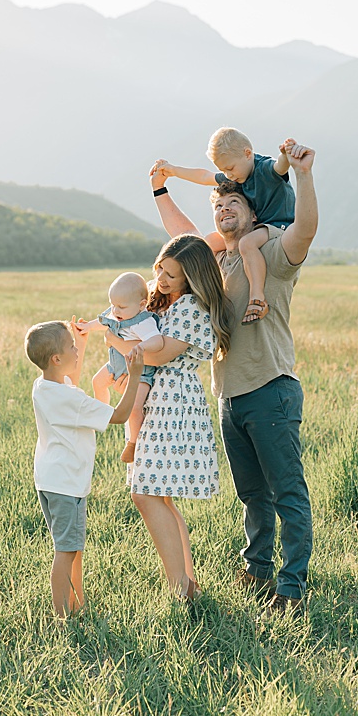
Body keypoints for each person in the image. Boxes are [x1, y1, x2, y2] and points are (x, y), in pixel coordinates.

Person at [149, 140, 319, 616]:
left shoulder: (271, 254)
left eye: (234, 203)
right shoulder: (216, 262)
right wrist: (161, 190)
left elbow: (304, 230)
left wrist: (302, 178)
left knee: (286, 492)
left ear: (253, 211)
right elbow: (182, 237)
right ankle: (258, 567)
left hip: (270, 389)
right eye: (219, 205)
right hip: (229, 396)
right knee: (252, 495)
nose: (224, 210)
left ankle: (291, 586)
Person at [103, 234, 233, 602]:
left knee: (146, 494)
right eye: (160, 267)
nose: (160, 277)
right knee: (157, 496)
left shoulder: (191, 306)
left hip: (174, 401)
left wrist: (116, 343)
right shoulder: (166, 302)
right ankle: (187, 584)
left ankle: (180, 586)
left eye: (171, 274)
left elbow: (159, 357)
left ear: (192, 278)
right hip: (158, 398)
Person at [25, 319, 144, 618]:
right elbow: (118, 415)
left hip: (50, 480)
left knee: (72, 547)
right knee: (66, 551)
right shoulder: (71, 400)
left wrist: (84, 341)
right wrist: (135, 376)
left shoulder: (45, 386)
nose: (76, 350)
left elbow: (72, 383)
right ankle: (63, 617)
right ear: (56, 359)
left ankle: (76, 604)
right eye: (72, 347)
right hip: (67, 484)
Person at [154, 128, 298, 324]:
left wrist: (286, 154)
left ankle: (257, 298)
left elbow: (280, 168)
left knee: (247, 244)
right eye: (224, 171)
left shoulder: (263, 168)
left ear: (248, 154)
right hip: (259, 227)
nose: (228, 175)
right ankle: (188, 290)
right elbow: (205, 176)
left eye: (230, 168)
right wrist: (173, 170)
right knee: (208, 242)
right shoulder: (238, 174)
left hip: (278, 225)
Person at [75, 271, 163, 463]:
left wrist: (138, 348)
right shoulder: (119, 313)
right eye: (113, 304)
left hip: (140, 375)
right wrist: (87, 327)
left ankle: (133, 443)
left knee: (134, 408)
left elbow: (157, 342)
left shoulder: (143, 321)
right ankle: (102, 413)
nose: (115, 311)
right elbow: (103, 321)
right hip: (116, 365)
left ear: (141, 305)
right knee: (97, 382)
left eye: (121, 306)